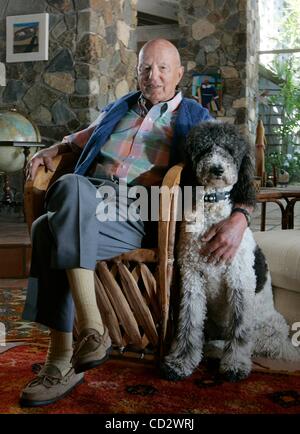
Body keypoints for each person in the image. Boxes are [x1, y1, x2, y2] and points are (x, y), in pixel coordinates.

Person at [20, 39, 252, 407]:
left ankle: (63, 357)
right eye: (146, 68)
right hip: (84, 198)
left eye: (163, 68)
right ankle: (84, 342)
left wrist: (241, 216)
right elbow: (83, 138)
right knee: (57, 211)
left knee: (48, 224)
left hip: (135, 211)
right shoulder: (120, 107)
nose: (153, 76)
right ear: (137, 72)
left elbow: (237, 166)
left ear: (179, 74)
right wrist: (55, 148)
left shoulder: (194, 116)